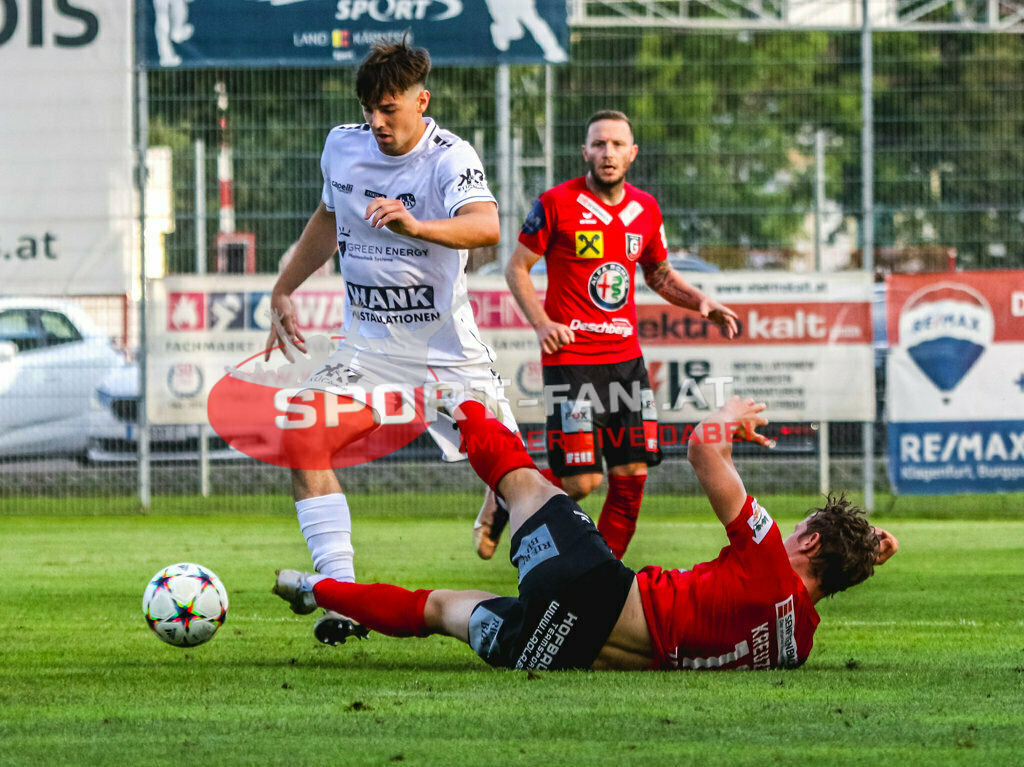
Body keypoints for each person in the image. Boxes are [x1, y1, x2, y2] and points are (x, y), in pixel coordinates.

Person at [273, 394, 899, 671]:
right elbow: (829, 573)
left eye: (801, 531)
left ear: (810, 544)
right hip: (560, 651)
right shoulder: (799, 643)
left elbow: (704, 450)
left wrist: (730, 413)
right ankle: (314, 588)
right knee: (438, 609)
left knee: (524, 483)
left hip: (589, 587)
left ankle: (448, 395)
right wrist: (868, 550)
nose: (788, 533)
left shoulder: (769, 562)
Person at [264, 39, 516, 647]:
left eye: (388, 109)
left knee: (520, 480)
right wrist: (284, 288)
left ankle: (547, 572)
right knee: (304, 433)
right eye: (369, 109)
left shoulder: (449, 157)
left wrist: (417, 224)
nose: (377, 122)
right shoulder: (342, 146)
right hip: (368, 354)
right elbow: (329, 219)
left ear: (419, 101)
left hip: (445, 355)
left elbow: (487, 225)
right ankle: (343, 596)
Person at [495, 109, 740, 561]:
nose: (608, 153)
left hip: (626, 362)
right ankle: (504, 494)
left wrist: (699, 301)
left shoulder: (645, 209)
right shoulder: (555, 204)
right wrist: (542, 323)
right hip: (572, 359)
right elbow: (516, 269)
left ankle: (601, 578)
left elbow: (659, 274)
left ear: (633, 153)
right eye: (599, 144)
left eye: (617, 144)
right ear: (585, 151)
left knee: (631, 477)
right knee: (581, 482)